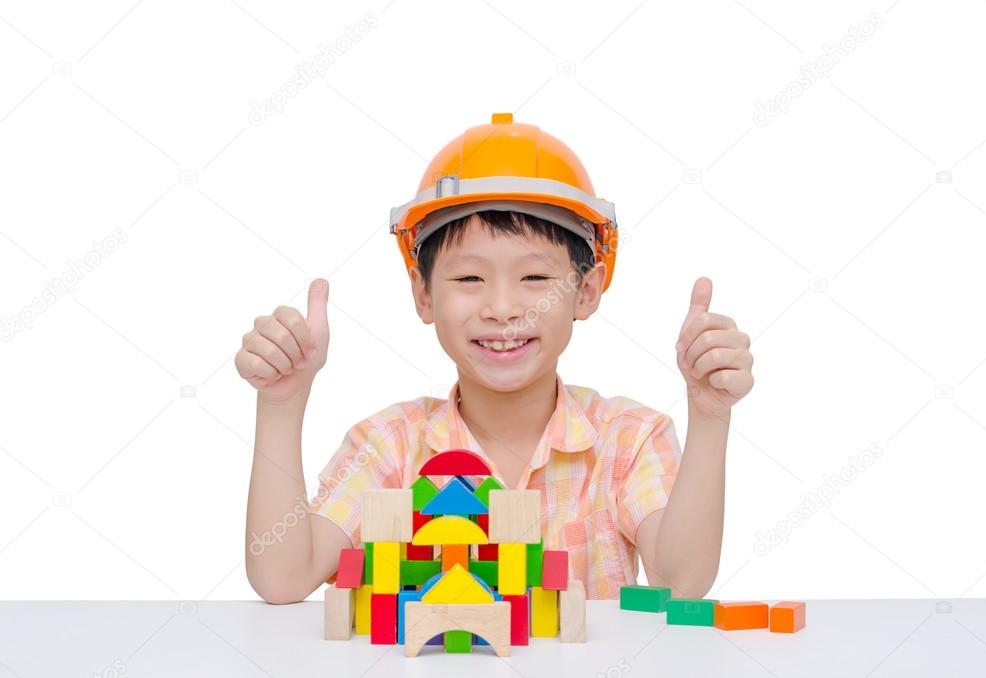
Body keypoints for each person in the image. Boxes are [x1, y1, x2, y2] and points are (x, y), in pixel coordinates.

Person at [237, 113, 755, 603]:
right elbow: (283, 577)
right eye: (469, 279)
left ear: (587, 290)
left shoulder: (629, 438)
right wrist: (281, 404)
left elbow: (682, 581)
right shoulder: (389, 447)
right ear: (423, 294)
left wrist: (709, 415)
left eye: (535, 278)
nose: (503, 308)